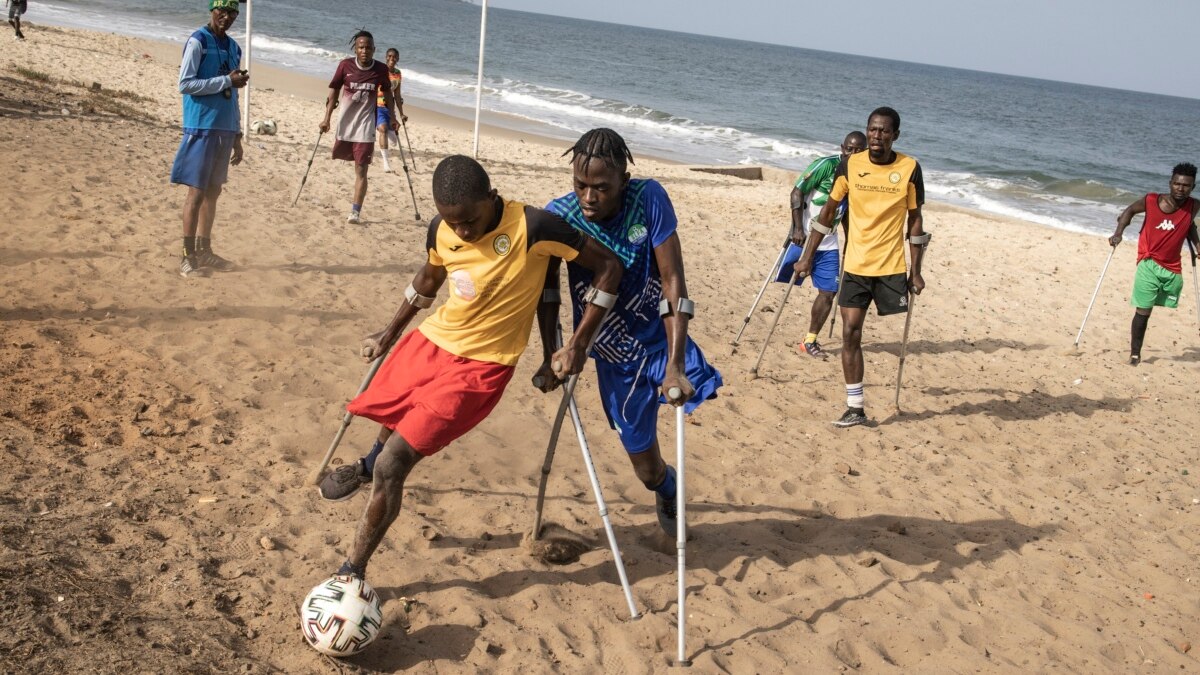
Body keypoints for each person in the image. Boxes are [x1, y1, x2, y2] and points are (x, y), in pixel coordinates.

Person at [318, 156, 622, 580]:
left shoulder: (534, 227)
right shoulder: (441, 229)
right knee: (390, 420)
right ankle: (367, 464)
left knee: (396, 463)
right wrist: (387, 335)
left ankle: (352, 570)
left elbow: (610, 267)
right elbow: (428, 280)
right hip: (430, 342)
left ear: (491, 198)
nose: (461, 231)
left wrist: (576, 345)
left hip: (482, 366)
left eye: (470, 221)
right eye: (451, 222)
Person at [543, 128, 723, 536]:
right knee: (645, 468)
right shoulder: (560, 218)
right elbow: (547, 293)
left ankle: (677, 371)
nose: (589, 197)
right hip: (613, 357)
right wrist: (555, 352)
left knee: (690, 388)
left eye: (601, 188)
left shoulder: (648, 199)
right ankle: (666, 486)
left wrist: (674, 365)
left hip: (662, 340)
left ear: (623, 181)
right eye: (581, 185)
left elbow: (673, 280)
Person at [794, 107, 928, 428]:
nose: (876, 136)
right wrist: (808, 256)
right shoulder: (850, 165)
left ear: (895, 135)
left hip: (890, 267)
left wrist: (916, 270)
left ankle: (859, 405)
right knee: (850, 333)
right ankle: (855, 407)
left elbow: (915, 220)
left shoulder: (910, 168)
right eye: (872, 130)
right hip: (855, 265)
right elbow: (827, 214)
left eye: (884, 131)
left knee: (882, 333)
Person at [169, 0, 248, 278]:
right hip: (201, 125)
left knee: (214, 192)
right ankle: (187, 255)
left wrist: (237, 134)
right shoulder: (198, 41)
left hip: (224, 128)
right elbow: (185, 84)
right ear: (212, 10)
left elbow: (235, 93)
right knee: (197, 191)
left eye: (232, 13)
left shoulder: (234, 47)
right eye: (221, 11)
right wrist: (226, 81)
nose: (226, 17)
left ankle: (205, 250)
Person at [780, 131, 867, 358]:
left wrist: (851, 239)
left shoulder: (861, 175)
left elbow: (848, 210)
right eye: (849, 148)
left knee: (828, 292)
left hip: (829, 242)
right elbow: (796, 192)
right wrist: (797, 227)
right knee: (786, 282)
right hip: (804, 236)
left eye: (859, 150)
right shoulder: (826, 165)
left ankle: (810, 340)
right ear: (842, 148)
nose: (853, 153)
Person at [1108, 162, 1199, 366]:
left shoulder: (1194, 206)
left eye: (1186, 185)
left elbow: (1189, 225)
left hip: (1173, 267)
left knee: (1167, 299)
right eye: (1177, 184)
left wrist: (1198, 244)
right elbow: (1130, 210)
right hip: (1148, 262)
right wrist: (1118, 233)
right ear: (1170, 183)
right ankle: (1135, 354)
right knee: (1144, 309)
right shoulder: (1151, 201)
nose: (1180, 189)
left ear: (1192, 187)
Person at [319, 30, 400, 225]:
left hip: (365, 128)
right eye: (361, 47)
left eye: (368, 47)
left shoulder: (380, 70)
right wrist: (326, 118)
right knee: (343, 161)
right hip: (345, 126)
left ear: (374, 49)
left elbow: (388, 94)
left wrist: (393, 117)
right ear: (355, 49)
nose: (364, 50)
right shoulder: (345, 66)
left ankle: (355, 211)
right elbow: (333, 92)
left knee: (361, 170)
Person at [374, 47, 408, 173]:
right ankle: (386, 163)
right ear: (386, 57)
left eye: (394, 57)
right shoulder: (381, 71)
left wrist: (402, 113)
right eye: (389, 56)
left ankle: (391, 132)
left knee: (391, 129)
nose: (392, 59)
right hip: (377, 105)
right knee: (382, 129)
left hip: (390, 107)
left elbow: (397, 95)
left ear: (398, 59)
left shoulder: (398, 73)